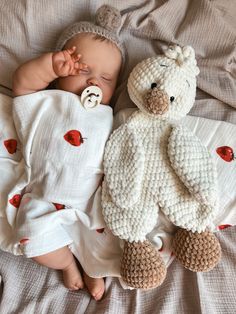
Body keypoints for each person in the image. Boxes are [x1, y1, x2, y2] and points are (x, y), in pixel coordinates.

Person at [11, 5, 125, 301]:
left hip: (91, 203)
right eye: (83, 70)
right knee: (31, 238)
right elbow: (21, 83)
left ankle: (92, 267)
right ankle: (67, 262)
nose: (93, 82)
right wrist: (49, 66)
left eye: (106, 78)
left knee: (108, 241)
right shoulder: (47, 100)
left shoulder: (108, 115)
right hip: (43, 196)